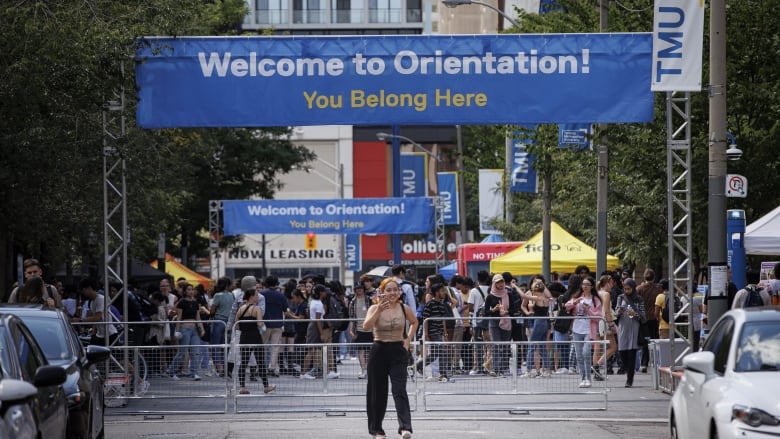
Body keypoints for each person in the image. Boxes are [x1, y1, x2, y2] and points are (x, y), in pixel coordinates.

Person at [362, 277, 418, 439]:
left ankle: (405, 427)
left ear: (400, 292)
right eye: (389, 290)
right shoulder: (374, 308)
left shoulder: (404, 307)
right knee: (378, 391)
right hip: (379, 350)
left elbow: (415, 322)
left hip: (398, 350)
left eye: (395, 289)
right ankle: (377, 429)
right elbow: (366, 327)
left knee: (399, 389)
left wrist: (408, 340)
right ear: (382, 292)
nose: (392, 293)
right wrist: (379, 310)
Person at [235, 287, 275, 395]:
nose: (258, 297)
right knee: (260, 362)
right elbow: (260, 324)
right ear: (252, 297)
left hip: (244, 337)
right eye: (257, 295)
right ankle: (266, 386)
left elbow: (237, 325)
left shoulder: (240, 309)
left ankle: (242, 387)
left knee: (243, 362)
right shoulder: (256, 309)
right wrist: (263, 328)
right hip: (255, 337)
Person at [565, 275, 601, 388]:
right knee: (579, 355)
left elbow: (598, 316)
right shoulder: (578, 297)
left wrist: (588, 310)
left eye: (587, 285)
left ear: (592, 286)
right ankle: (583, 378)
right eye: (583, 284)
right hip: (577, 329)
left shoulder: (595, 300)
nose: (584, 287)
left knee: (586, 353)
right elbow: (566, 307)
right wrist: (575, 302)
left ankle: (588, 378)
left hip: (588, 330)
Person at [166, 283, 206, 381]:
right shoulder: (182, 302)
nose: (191, 291)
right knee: (182, 352)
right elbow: (179, 317)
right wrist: (177, 331)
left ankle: (194, 373)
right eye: (188, 289)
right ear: (184, 291)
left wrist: (202, 328)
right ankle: (171, 371)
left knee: (195, 352)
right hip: (184, 329)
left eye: (192, 289)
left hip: (194, 330)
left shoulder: (196, 302)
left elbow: (198, 317)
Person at [615, 278, 646, 388]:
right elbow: (616, 312)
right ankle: (628, 370)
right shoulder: (620, 297)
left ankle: (630, 379)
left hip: (634, 328)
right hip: (623, 328)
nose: (627, 291)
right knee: (622, 352)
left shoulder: (639, 299)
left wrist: (635, 314)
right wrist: (619, 311)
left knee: (632, 354)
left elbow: (643, 317)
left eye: (629, 289)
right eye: (625, 288)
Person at [484, 274, 515, 377]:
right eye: (498, 282)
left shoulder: (508, 294)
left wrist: (505, 312)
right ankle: (495, 369)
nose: (500, 284)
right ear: (494, 284)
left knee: (505, 346)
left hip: (506, 321)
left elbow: (514, 309)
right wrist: (494, 310)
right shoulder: (490, 296)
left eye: (501, 282)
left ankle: (502, 368)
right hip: (494, 323)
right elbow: (485, 312)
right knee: (496, 345)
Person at [74, 278, 119, 346]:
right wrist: (93, 334)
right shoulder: (92, 302)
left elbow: (97, 317)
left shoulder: (100, 299)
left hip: (109, 334)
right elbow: (95, 321)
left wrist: (80, 320)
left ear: (89, 288)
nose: (82, 292)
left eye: (83, 290)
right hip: (100, 335)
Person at [522, 279, 553, 378]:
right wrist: (542, 284)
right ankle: (547, 370)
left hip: (539, 322)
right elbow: (548, 294)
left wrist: (515, 287)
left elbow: (523, 296)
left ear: (535, 290)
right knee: (543, 347)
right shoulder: (545, 298)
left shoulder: (538, 298)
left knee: (531, 345)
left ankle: (528, 370)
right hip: (544, 322)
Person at [592, 274, 618, 381]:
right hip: (605, 321)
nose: (612, 285)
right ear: (607, 283)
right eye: (611, 283)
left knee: (597, 348)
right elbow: (607, 311)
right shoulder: (606, 294)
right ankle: (597, 365)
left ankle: (596, 372)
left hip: (596, 321)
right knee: (613, 347)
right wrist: (611, 324)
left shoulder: (596, 293)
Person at [260, 275, 287, 377]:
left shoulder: (261, 294)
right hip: (277, 323)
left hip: (264, 323)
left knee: (263, 346)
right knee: (275, 347)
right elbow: (285, 309)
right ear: (276, 284)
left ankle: (262, 367)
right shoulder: (280, 295)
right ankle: (273, 367)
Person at [465, 270, 490, 375]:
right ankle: (488, 366)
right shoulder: (490, 289)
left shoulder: (474, 291)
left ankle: (478, 367)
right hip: (489, 320)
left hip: (477, 322)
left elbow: (470, 307)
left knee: (478, 345)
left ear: (478, 279)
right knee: (489, 345)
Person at [209, 277, 234, 377]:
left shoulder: (217, 295)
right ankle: (225, 368)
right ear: (227, 285)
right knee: (226, 346)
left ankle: (218, 368)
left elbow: (212, 311)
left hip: (218, 321)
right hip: (229, 322)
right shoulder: (232, 295)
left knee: (216, 345)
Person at [637, 269, 661, 373]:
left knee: (645, 342)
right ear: (654, 277)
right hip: (654, 318)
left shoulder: (639, 289)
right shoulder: (658, 289)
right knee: (654, 341)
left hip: (643, 318)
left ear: (644, 277)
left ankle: (643, 364)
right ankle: (655, 362)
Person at [349, 283, 374, 379]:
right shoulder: (352, 302)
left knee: (369, 351)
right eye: (357, 288)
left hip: (370, 328)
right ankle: (363, 370)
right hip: (358, 329)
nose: (359, 290)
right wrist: (351, 330)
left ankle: (369, 369)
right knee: (360, 351)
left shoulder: (369, 300)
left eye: (360, 288)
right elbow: (351, 318)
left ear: (363, 289)